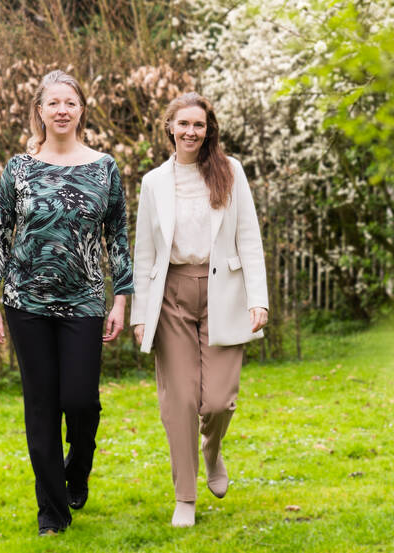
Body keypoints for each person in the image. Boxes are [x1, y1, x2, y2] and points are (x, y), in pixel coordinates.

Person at [0, 70, 133, 536]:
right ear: (40, 111)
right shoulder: (19, 168)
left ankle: (76, 471)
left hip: (85, 301)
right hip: (26, 302)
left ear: (81, 109)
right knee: (42, 405)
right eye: (53, 103)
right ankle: (52, 511)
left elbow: (118, 238)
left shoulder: (104, 167)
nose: (62, 110)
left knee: (81, 401)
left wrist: (121, 299)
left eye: (70, 102)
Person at [131, 92, 269, 528]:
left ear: (209, 130)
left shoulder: (230, 173)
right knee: (181, 401)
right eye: (184, 124)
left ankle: (212, 449)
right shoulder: (153, 183)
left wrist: (257, 297)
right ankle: (185, 499)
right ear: (169, 126)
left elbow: (249, 237)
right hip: (169, 294)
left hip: (223, 292)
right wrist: (139, 313)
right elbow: (145, 252)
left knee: (217, 401)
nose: (191, 132)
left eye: (200, 125)